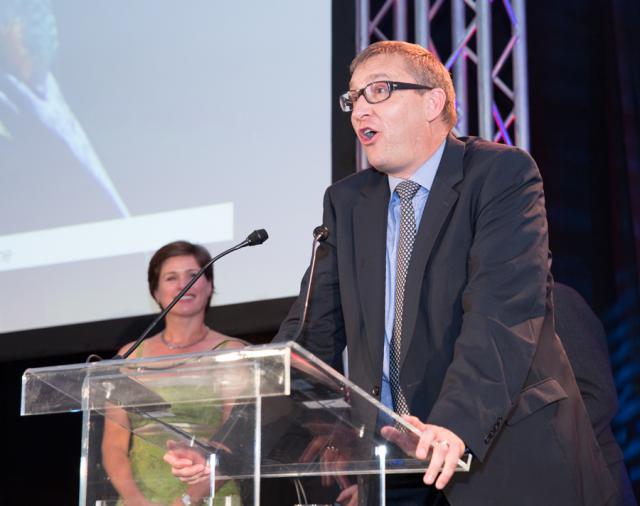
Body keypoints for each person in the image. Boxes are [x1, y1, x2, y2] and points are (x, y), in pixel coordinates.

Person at [167, 41, 615, 505]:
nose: (360, 108)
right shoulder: (348, 203)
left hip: (500, 458)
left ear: (433, 101)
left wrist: (454, 426)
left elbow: (501, 313)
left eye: (378, 90)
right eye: (353, 98)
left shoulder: (500, 175)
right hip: (391, 470)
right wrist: (226, 445)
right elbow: (305, 338)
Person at [101, 240, 246, 506]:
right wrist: (136, 501)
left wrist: (186, 501)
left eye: (194, 276)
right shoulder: (132, 355)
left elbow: (238, 440)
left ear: (210, 286)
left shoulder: (232, 353)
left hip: (209, 497)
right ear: (155, 292)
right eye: (171, 278)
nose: (184, 285)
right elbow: (114, 445)